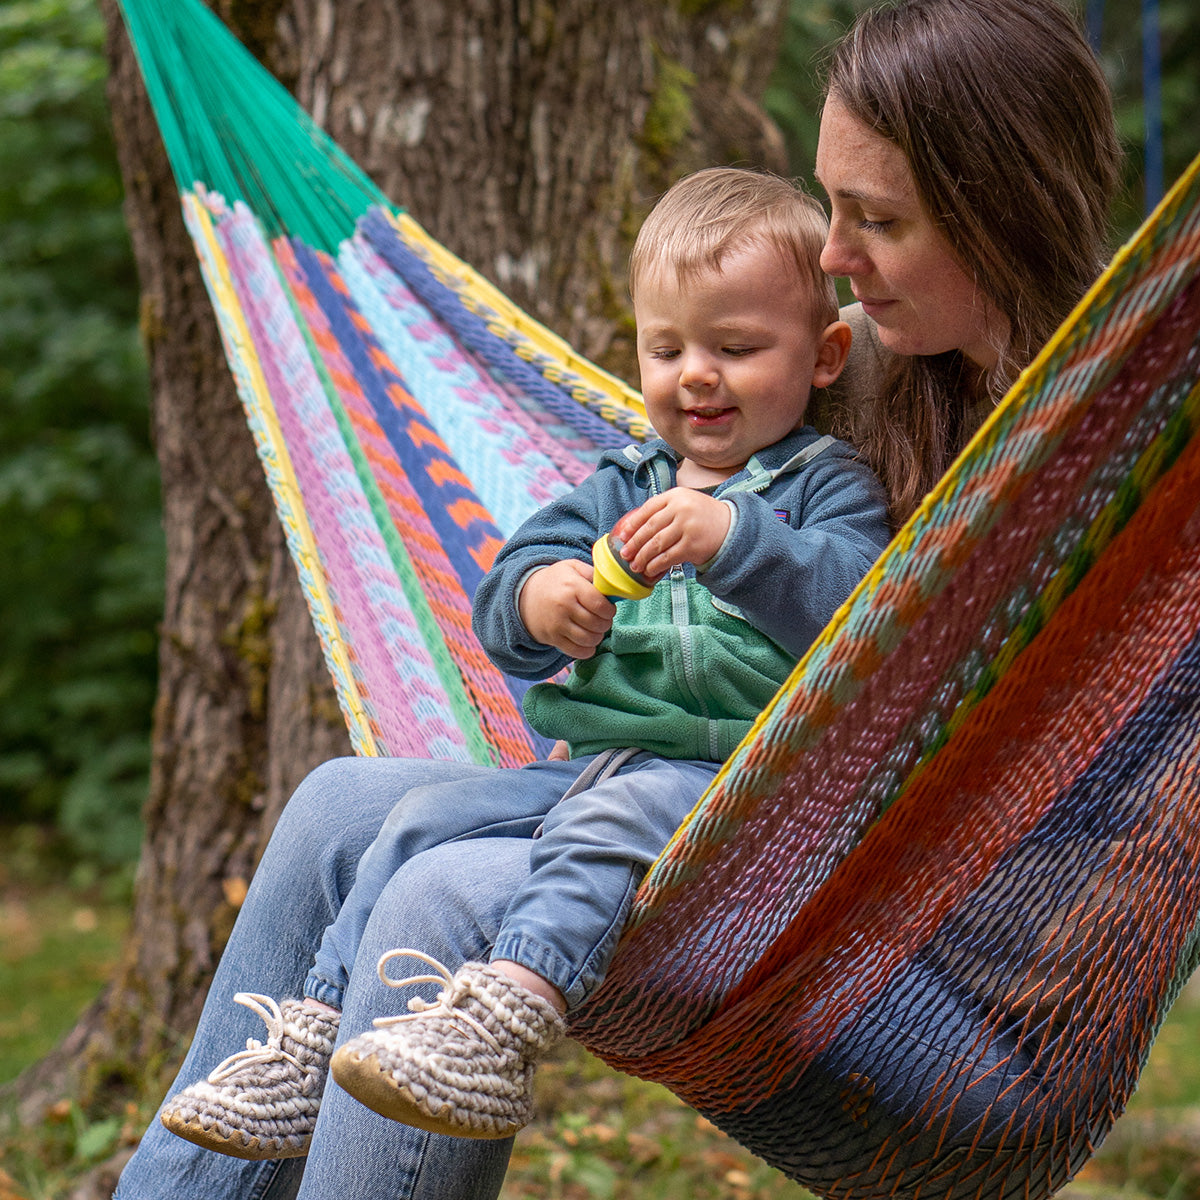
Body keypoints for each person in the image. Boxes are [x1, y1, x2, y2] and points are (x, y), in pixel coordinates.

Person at [113, 1, 1121, 1197]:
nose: (836, 259)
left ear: (996, 208)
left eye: (879, 219)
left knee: (440, 891)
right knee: (339, 803)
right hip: (668, 789)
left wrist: (739, 544)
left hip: (891, 922)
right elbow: (610, 496)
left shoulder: (1110, 446)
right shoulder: (840, 356)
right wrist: (550, 598)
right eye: (832, 205)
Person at [153, 165, 891, 1154]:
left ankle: (505, 1021)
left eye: (737, 347)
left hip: (744, 790)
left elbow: (865, 609)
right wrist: (546, 601)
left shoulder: (824, 487)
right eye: (665, 348)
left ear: (826, 355)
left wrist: (736, 537)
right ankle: (315, 1033)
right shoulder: (621, 483)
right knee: (418, 820)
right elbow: (507, 594)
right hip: (597, 767)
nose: (694, 374)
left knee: (610, 822)